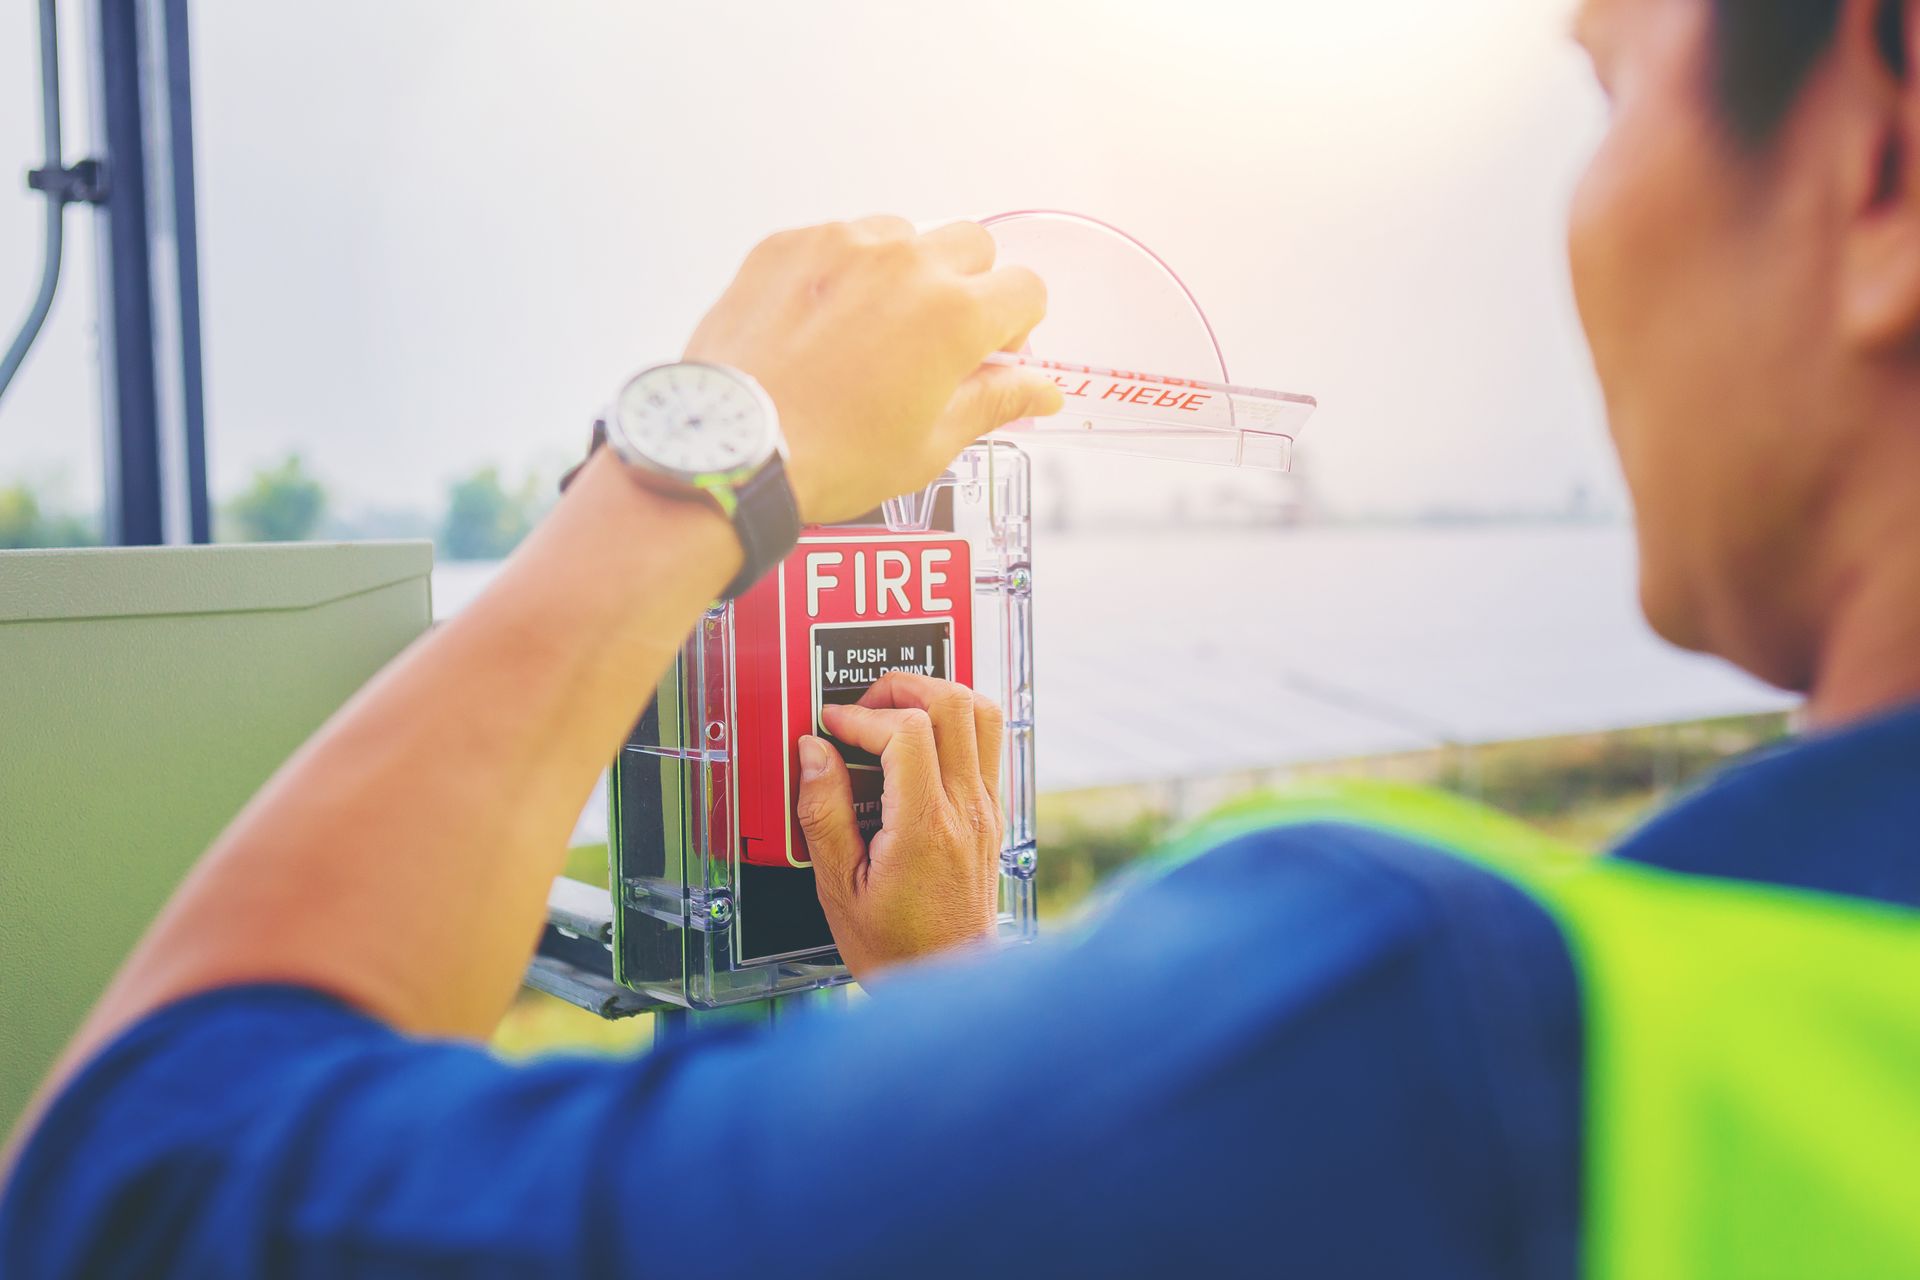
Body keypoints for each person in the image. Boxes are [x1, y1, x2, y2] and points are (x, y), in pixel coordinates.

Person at [4, 0, 1920, 1273]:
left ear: (1882, 156)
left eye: (1607, 87)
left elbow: (140, 1184)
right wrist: (951, 996)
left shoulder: (1420, 1030)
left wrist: (688, 462)